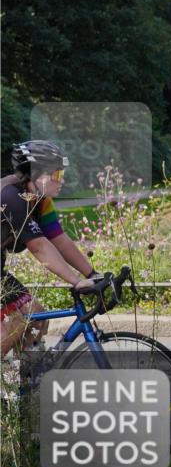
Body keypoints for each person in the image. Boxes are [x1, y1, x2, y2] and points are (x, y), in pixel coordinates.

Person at [2, 141, 99, 357]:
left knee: (36, 318)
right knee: (14, 325)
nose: (61, 179)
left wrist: (92, 274)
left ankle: (19, 383)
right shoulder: (11, 198)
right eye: (56, 174)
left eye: (61, 173)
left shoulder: (40, 201)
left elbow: (59, 239)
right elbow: (40, 247)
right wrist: (76, 281)